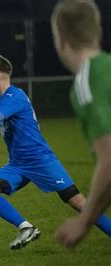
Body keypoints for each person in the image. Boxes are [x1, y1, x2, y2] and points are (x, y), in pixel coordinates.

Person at [0, 55, 111, 250]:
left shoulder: (13, 97)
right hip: (18, 164)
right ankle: (26, 228)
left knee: (79, 203)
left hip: (40, 160)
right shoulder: (4, 100)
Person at [51, 0, 111, 249]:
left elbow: (109, 158)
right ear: (97, 32)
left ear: (62, 40)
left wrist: (84, 221)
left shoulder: (87, 82)